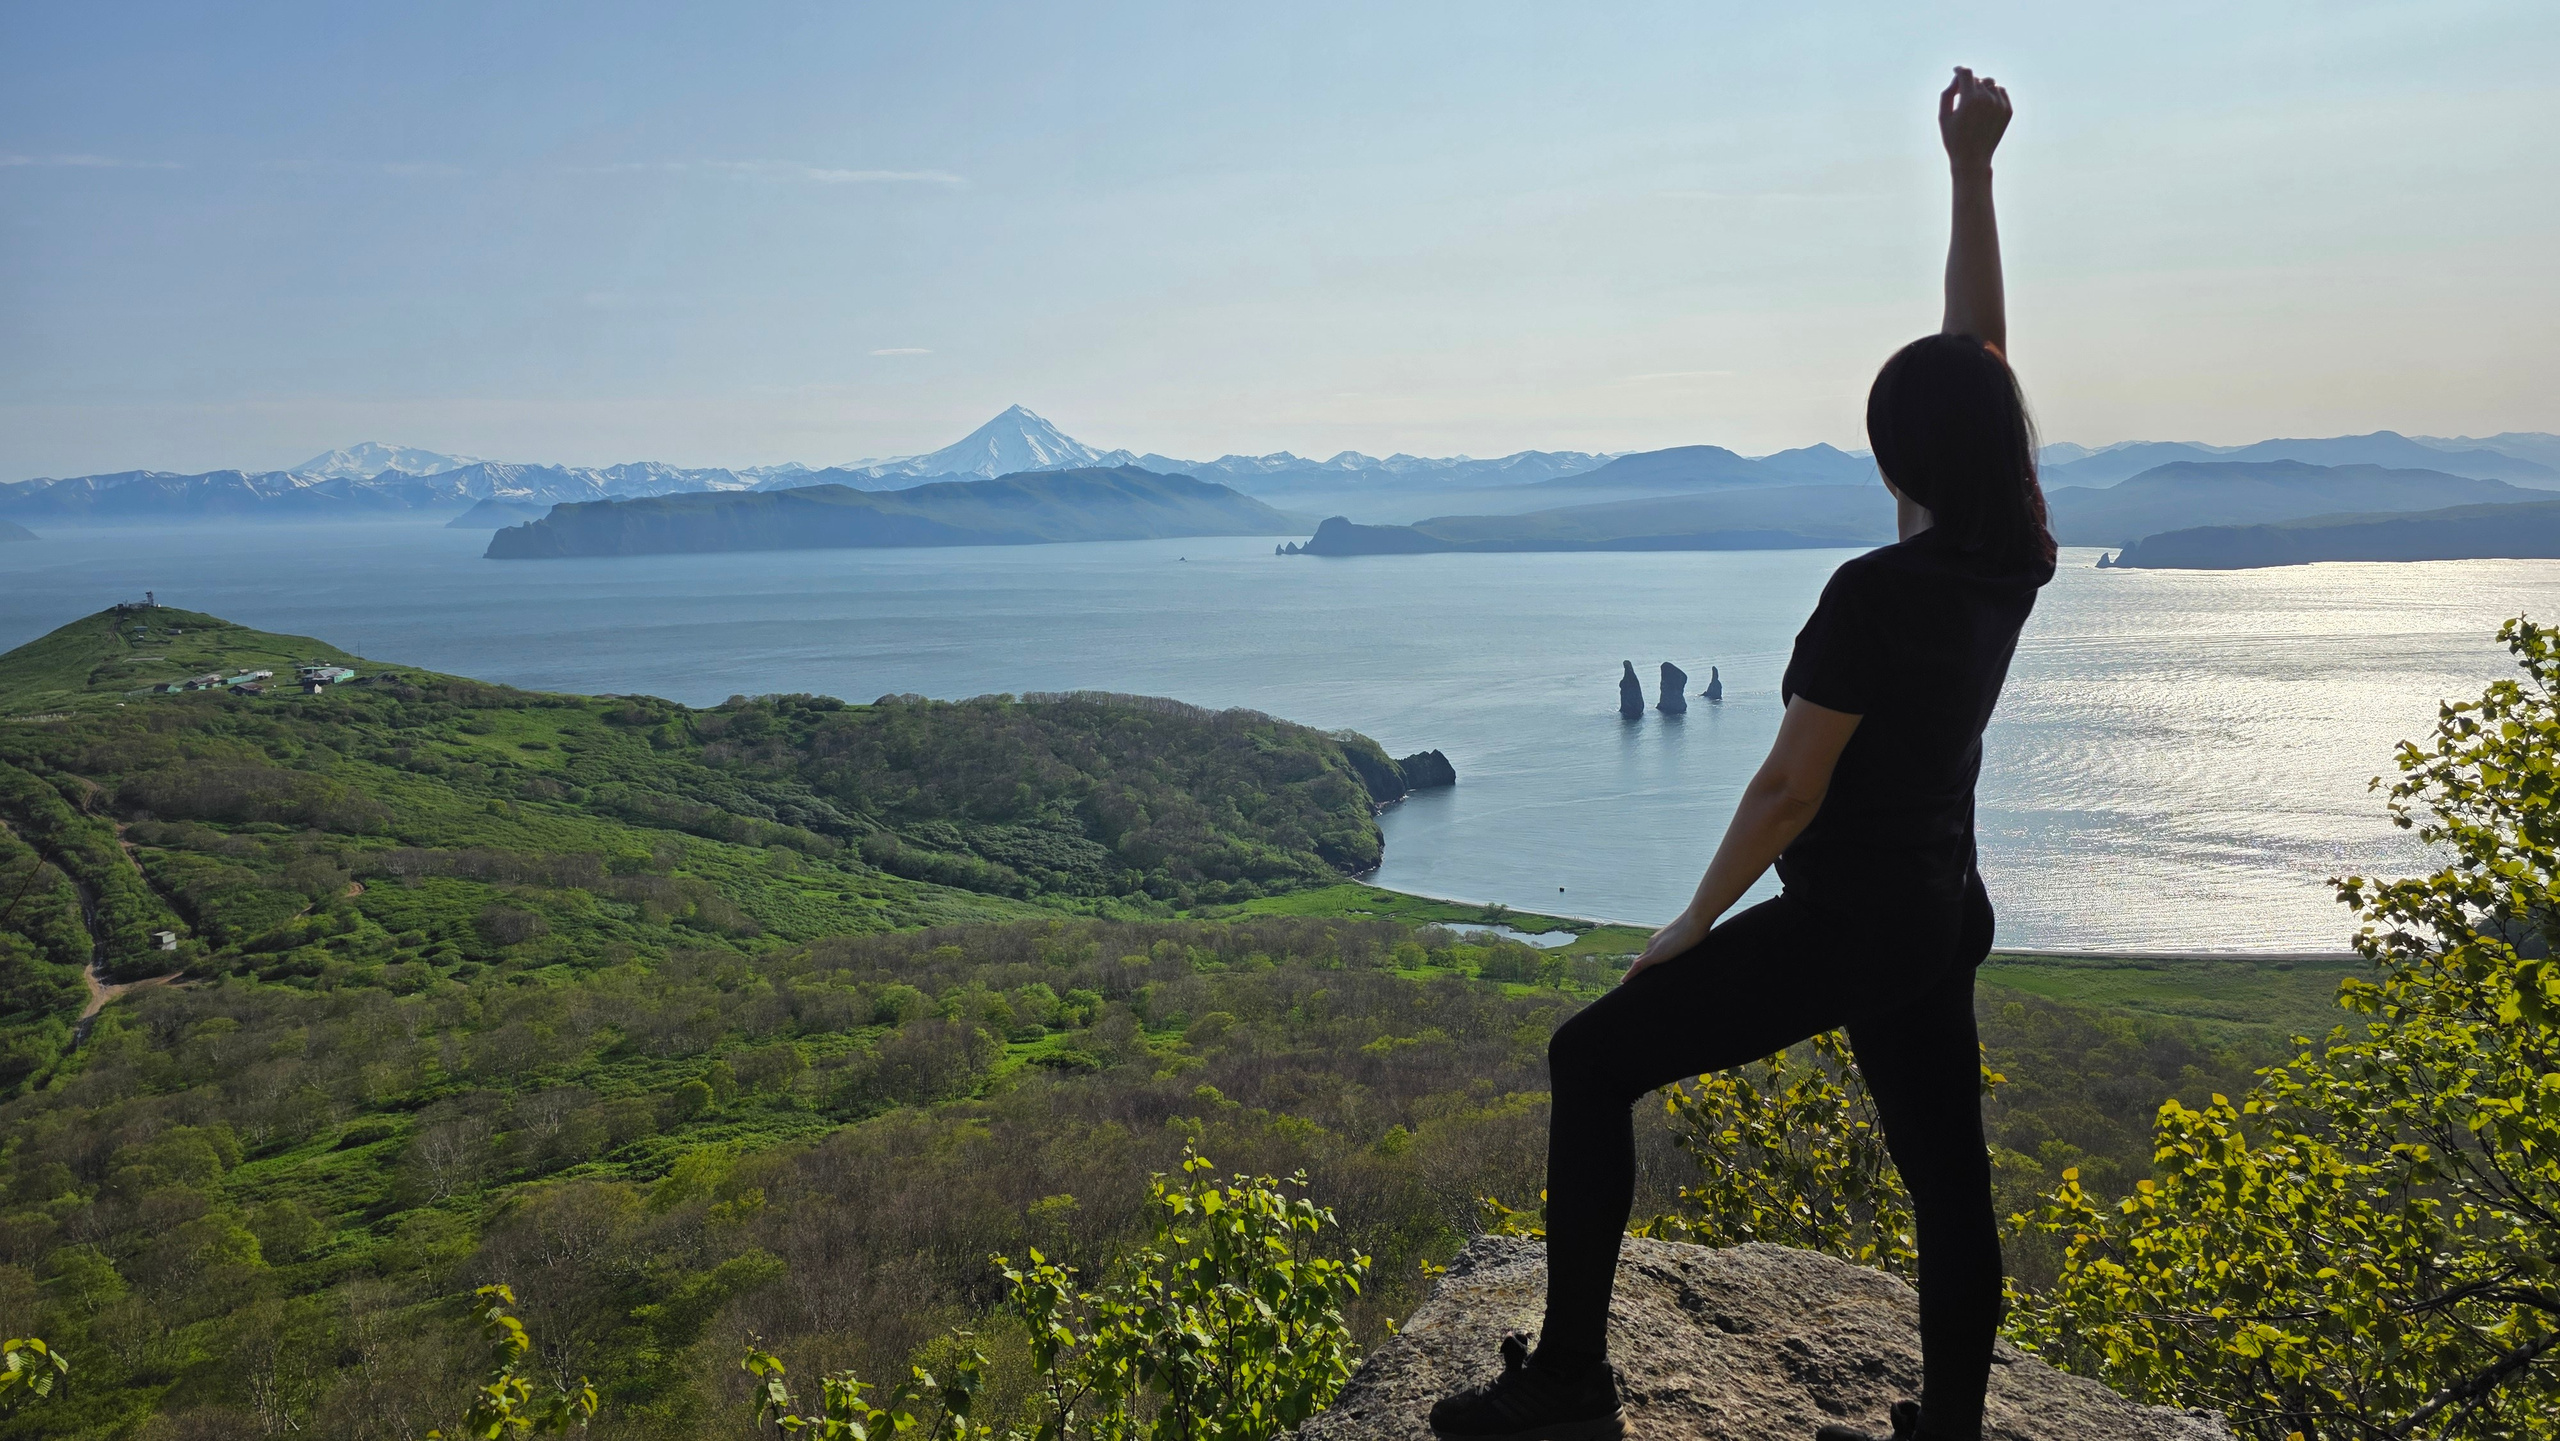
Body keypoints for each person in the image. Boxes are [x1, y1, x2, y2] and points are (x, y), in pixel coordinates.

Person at [1427, 67, 2052, 1441]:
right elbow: (1982, 367)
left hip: (1846, 927)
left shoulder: (1875, 594)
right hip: (1939, 915)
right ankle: (1951, 1424)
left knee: (1589, 1056)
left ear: (1909, 458)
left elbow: (1787, 788)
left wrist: (1689, 923)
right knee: (1951, 1183)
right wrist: (1969, 177)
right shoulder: (2006, 560)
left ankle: (1572, 1386)